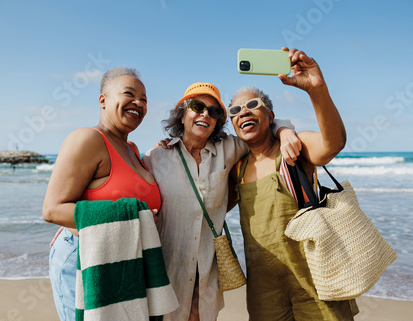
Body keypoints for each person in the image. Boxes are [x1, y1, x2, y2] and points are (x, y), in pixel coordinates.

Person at [142, 82, 299, 321]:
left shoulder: (230, 148)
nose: (206, 114)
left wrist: (285, 131)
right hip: (167, 269)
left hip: (207, 273)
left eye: (214, 112)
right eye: (198, 107)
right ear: (183, 114)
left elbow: (261, 128)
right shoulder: (154, 158)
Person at [229, 48, 356, 320]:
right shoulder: (236, 168)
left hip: (315, 281)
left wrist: (316, 89)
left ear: (270, 116)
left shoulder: (293, 149)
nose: (243, 112)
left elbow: (333, 144)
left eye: (253, 105)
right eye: (235, 110)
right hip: (264, 292)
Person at [42, 67, 163, 321]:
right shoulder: (87, 139)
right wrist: (130, 219)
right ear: (103, 100)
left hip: (122, 255)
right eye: (129, 94)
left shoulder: (132, 148)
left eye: (144, 99)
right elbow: (53, 209)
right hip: (84, 256)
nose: (138, 103)